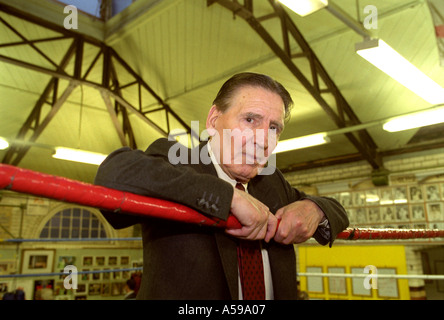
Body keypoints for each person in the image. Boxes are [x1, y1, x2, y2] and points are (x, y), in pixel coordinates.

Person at [94, 72, 349, 300]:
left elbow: (337, 210)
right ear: (214, 120)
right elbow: (113, 174)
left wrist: (313, 209)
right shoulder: (178, 162)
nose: (263, 140)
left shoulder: (271, 183)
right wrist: (228, 197)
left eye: (274, 128)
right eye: (250, 119)